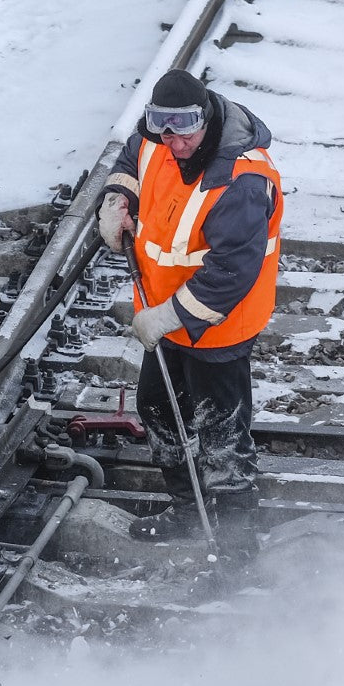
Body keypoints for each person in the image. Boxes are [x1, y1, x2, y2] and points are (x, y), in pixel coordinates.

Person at [96, 69, 283, 551]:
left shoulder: (241, 182)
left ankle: (238, 546)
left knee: (220, 434)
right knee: (158, 409)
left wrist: (165, 317)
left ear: (206, 120)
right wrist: (118, 199)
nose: (173, 143)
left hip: (218, 328)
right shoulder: (159, 137)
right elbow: (130, 156)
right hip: (164, 317)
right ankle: (187, 511)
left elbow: (229, 276)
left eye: (184, 132)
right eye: (164, 130)